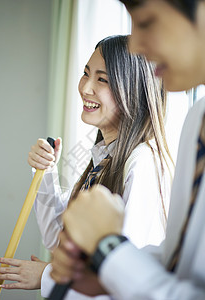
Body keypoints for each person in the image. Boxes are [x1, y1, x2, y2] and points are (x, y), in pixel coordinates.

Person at [0, 35, 173, 299]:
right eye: (85, 73)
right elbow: (58, 238)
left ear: (133, 90)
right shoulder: (104, 158)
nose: (85, 88)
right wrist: (47, 172)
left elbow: (125, 280)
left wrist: (46, 277)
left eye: (102, 79)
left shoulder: (142, 164)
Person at [49, 0, 205, 299]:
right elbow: (178, 260)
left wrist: (109, 251)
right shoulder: (196, 118)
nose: (135, 46)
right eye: (86, 73)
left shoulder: (143, 162)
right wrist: (99, 274)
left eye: (147, 22)